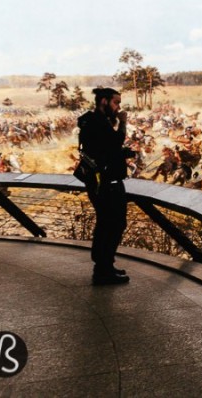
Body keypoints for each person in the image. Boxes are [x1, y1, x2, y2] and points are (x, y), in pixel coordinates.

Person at [77, 87, 134, 286]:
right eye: (116, 102)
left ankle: (104, 267)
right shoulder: (98, 123)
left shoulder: (91, 122)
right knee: (113, 224)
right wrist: (123, 123)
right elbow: (115, 142)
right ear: (103, 102)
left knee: (106, 224)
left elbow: (105, 149)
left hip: (100, 181)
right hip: (107, 184)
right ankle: (103, 270)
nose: (118, 107)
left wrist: (121, 153)